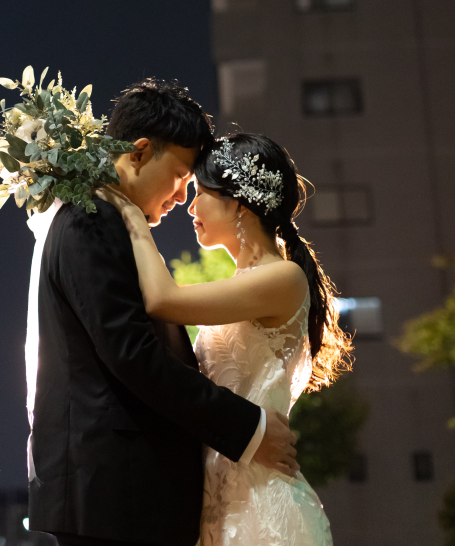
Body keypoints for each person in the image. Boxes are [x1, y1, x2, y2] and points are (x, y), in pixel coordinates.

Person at [27, 80, 298, 546]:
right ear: (139, 153)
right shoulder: (92, 220)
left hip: (126, 496)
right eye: (179, 176)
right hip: (116, 493)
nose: (181, 197)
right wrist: (247, 428)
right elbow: (132, 353)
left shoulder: (106, 219)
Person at [101, 131, 353, 546]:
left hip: (264, 508)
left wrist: (130, 213)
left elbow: (163, 299)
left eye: (201, 193)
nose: (190, 206)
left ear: (236, 202)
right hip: (218, 502)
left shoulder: (283, 277)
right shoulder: (244, 284)